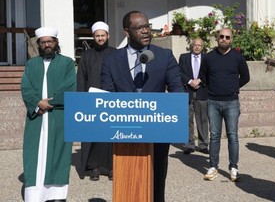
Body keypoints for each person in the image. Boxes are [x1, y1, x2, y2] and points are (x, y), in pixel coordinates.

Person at [101, 11, 184, 202]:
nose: (146, 31)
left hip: (158, 131)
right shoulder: (112, 60)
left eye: (147, 26)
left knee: (156, 183)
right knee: (127, 183)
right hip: (124, 132)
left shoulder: (164, 56)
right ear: (127, 32)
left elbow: (177, 90)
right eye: (139, 28)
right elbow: (106, 94)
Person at [21, 27, 76, 202]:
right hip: (36, 117)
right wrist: (38, 102)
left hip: (58, 115)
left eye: (50, 41)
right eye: (43, 42)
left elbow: (70, 86)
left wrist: (50, 102)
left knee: (59, 153)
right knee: (34, 154)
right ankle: (35, 195)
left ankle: (56, 194)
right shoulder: (31, 64)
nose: (47, 45)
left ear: (56, 43)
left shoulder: (67, 63)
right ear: (38, 44)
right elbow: (26, 87)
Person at [195, 28, 250, 182]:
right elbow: (203, 77)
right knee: (214, 136)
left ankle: (234, 167)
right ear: (217, 38)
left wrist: (233, 87)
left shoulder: (238, 58)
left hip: (232, 102)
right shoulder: (209, 57)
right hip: (213, 102)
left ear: (231, 39)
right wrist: (213, 88)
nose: (224, 39)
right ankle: (213, 166)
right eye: (221, 36)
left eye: (227, 37)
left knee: (233, 136)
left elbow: (245, 77)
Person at [76, 21, 115, 181]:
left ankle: (112, 167)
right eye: (97, 36)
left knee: (110, 135)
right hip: (91, 101)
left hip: (111, 100)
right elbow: (81, 79)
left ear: (108, 36)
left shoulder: (116, 53)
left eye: (102, 35)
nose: (100, 38)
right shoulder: (86, 55)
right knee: (93, 134)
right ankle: (94, 168)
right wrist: (81, 100)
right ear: (93, 37)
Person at [178, 37, 209, 155]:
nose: (197, 47)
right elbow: (179, 72)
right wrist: (190, 81)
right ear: (192, 46)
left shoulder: (207, 58)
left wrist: (199, 81)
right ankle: (189, 145)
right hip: (187, 90)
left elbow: (209, 73)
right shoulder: (184, 57)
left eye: (199, 45)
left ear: (202, 47)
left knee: (202, 120)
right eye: (195, 45)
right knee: (187, 120)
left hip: (202, 91)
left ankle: (203, 145)